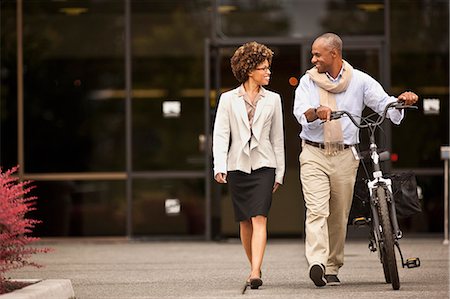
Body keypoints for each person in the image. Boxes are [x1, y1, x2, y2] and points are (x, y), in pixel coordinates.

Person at [293, 33, 418, 287]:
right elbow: (301, 113)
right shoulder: (308, 81)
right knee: (317, 209)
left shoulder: (359, 80)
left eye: (318, 54)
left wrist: (401, 102)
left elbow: (384, 103)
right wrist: (317, 112)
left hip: (344, 155)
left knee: (338, 215)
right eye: (313, 54)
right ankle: (316, 261)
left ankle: (331, 266)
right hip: (314, 152)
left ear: (334, 54)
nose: (313, 58)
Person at [212, 41, 285, 290]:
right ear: (249, 70)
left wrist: (280, 172)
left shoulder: (274, 100)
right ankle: (254, 263)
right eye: (264, 68)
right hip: (237, 166)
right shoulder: (228, 99)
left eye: (269, 68)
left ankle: (255, 272)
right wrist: (219, 166)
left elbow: (278, 138)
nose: (268, 72)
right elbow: (221, 135)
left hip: (265, 165)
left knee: (259, 217)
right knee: (244, 220)